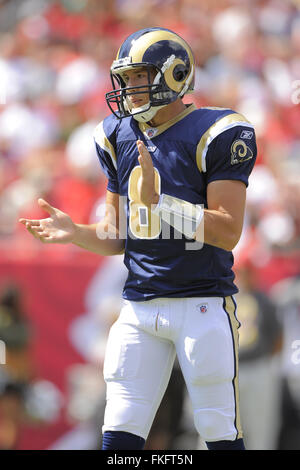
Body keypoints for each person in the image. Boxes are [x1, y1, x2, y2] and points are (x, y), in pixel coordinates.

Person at [19, 27, 257, 451]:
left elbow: (227, 231)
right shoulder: (116, 134)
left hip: (199, 303)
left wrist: (161, 202)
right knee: (120, 428)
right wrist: (76, 233)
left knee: (216, 426)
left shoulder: (216, 130)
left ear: (175, 74)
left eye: (138, 77)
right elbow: (116, 236)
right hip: (139, 304)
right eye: (125, 79)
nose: (129, 89)